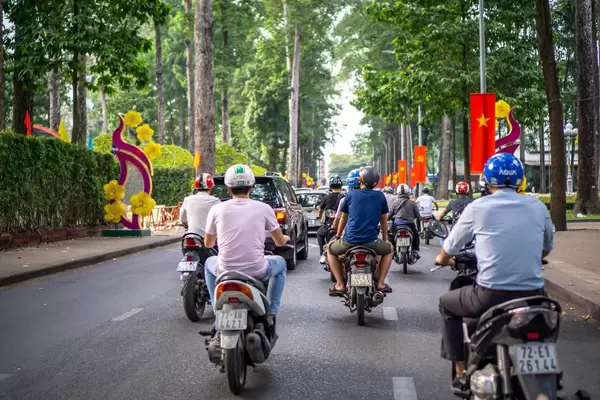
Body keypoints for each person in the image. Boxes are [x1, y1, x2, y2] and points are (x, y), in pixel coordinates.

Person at [434, 153, 554, 391]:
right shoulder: (538, 206)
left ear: (487, 181)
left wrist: (442, 259)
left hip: (490, 295)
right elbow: (546, 248)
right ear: (520, 180)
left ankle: (461, 372)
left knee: (446, 304)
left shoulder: (478, 207)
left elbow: (449, 247)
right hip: (535, 295)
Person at [203, 164, 290, 334]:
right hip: (257, 270)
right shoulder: (264, 208)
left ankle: (216, 309)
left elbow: (208, 243)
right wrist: (285, 238)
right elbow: (279, 242)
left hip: (225, 271)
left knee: (208, 263)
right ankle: (271, 312)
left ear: (228, 188)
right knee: (280, 264)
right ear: (252, 187)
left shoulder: (216, 209)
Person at [327, 166, 394, 295]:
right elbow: (384, 221)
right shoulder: (380, 196)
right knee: (389, 250)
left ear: (361, 180)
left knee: (330, 250)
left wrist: (338, 236)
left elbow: (343, 219)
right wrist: (385, 240)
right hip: (372, 241)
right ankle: (380, 283)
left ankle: (340, 284)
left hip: (349, 241)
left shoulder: (351, 195)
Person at [388, 183, 422, 260]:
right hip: (410, 224)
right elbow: (418, 216)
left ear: (397, 192)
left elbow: (389, 215)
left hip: (397, 224)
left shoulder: (395, 202)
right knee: (416, 235)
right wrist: (419, 229)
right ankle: (415, 251)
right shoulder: (412, 203)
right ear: (408, 192)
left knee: (390, 235)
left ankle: (393, 251)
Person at [316, 175, 344, 264]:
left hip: (330, 225)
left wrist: (319, 217)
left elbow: (320, 209)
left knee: (319, 233)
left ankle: (323, 253)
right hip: (343, 225)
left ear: (330, 186)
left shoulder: (326, 197)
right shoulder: (345, 197)